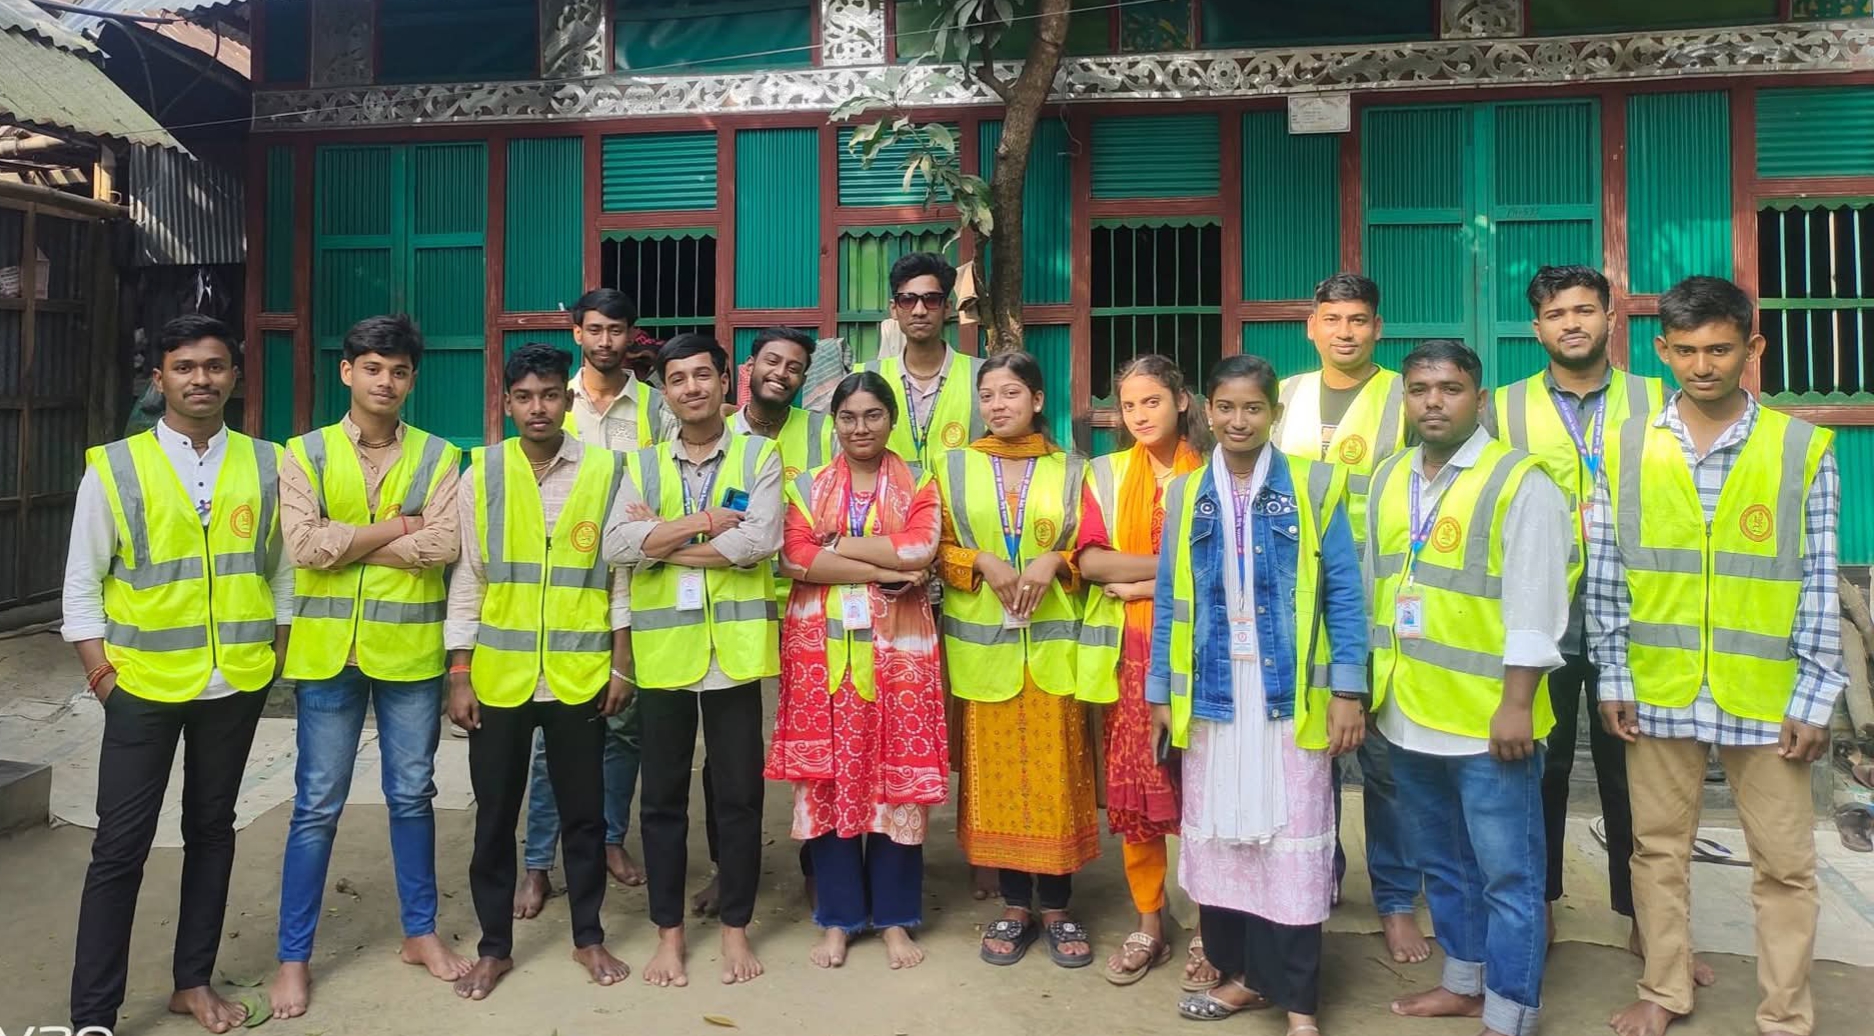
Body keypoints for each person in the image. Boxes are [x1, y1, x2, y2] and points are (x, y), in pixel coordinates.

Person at [1591, 277, 1843, 1036]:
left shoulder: (1801, 448)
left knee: (1785, 865)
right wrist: (1613, 673)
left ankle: (1785, 1013)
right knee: (1657, 851)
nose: (1704, 366)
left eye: (1721, 349)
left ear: (1752, 349)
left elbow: (1819, 578)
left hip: (1766, 693)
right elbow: (1607, 572)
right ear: (1663, 351)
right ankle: (1665, 990)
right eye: (1688, 351)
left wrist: (1816, 694)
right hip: (1659, 683)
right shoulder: (1626, 445)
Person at [62, 314, 293, 1034]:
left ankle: (192, 982)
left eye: (216, 366)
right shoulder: (115, 467)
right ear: (158, 377)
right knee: (119, 847)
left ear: (236, 376)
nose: (202, 379)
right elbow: (81, 586)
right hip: (141, 688)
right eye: (186, 367)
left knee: (212, 831)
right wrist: (103, 677)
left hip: (236, 685)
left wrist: (272, 655)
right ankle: (94, 1013)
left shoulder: (266, 463)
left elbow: (280, 570)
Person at [1145, 354, 1370, 1033]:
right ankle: (1243, 977)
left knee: (1290, 838)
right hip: (1213, 696)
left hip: (1288, 696)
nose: (1238, 420)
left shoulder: (1315, 486)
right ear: (1205, 411)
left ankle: (1299, 1000)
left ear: (1273, 413)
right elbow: (1168, 598)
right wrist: (1160, 688)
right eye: (1226, 407)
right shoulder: (1188, 494)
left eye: (1253, 408)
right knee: (1223, 838)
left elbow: (1345, 596)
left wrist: (1348, 690)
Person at [1368, 339, 1569, 1036]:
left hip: (1491, 722)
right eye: (1420, 388)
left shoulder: (1521, 481)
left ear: (1478, 400)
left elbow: (1536, 604)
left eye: (1450, 389)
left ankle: (1511, 1012)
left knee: (1509, 876)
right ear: (1405, 398)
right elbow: (1378, 590)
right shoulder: (1390, 477)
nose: (1433, 400)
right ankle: (1463, 981)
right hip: (1408, 712)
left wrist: (1517, 704)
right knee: (1444, 864)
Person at [270, 315, 466, 1018]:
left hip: (409, 654)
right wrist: (396, 529)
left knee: (412, 794)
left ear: (413, 379)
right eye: (373, 368)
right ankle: (294, 958)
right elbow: (303, 546)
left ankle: (420, 933)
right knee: (317, 804)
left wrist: (348, 539)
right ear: (347, 371)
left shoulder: (441, 456)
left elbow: (442, 545)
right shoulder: (305, 453)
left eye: (400, 370)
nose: (386, 381)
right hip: (329, 654)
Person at [1485, 266, 1671, 965]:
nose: (1572, 323)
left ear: (1610, 317)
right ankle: (1539, 903)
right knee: (1540, 763)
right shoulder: (1500, 408)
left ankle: (1645, 913)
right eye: (1557, 313)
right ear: (1537, 329)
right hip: (1540, 610)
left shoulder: (1658, 399)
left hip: (1638, 611)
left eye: (1585, 310)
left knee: (1638, 768)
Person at [445, 342, 634, 1000]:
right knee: (494, 815)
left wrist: (623, 663)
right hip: (500, 676)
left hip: (580, 674)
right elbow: (468, 577)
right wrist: (459, 671)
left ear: (568, 398)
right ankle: (494, 946)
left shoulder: (608, 470)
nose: (538, 408)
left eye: (550, 394)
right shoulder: (482, 474)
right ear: (506, 402)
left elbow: (619, 579)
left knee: (585, 815)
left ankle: (588, 935)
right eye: (524, 396)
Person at [604, 333, 784, 988]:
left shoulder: (759, 454)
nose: (691, 389)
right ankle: (669, 937)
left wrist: (663, 540)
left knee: (737, 795)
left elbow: (760, 541)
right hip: (665, 655)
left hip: (733, 656)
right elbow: (618, 546)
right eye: (676, 380)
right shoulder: (640, 464)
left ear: (724, 380)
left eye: (702, 376)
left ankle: (735, 930)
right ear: (666, 391)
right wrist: (705, 522)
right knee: (663, 800)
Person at [1270, 272, 1427, 965]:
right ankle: (1319, 876)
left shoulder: (1404, 396)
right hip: (1299, 605)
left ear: (1378, 328)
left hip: (1380, 600)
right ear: (1311, 326)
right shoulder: (1283, 398)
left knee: (1387, 765)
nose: (1344, 331)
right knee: (1311, 757)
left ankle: (1395, 901)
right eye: (1332, 318)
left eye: (1358, 319)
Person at [765, 371, 946, 969]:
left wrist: (836, 543)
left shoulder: (920, 479)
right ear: (834, 422)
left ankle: (895, 919)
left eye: (872, 415)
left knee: (895, 781)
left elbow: (920, 551)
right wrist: (881, 566)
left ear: (890, 420)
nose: (860, 428)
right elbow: (793, 555)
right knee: (829, 777)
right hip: (820, 655)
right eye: (848, 417)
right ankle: (838, 919)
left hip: (901, 658)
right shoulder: (807, 484)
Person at [937, 351, 1108, 969]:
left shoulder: (1074, 470)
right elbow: (935, 548)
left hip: (1054, 651)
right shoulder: (952, 466)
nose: (998, 405)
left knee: (1060, 776)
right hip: (986, 653)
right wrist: (981, 562)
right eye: (988, 395)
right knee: (995, 779)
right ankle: (1013, 906)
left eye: (1011, 393)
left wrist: (1053, 561)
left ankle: (1058, 907)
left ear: (1037, 400)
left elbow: (1091, 544)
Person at [514, 289, 666, 918]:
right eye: (595, 329)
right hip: (562, 586)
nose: (606, 341)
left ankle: (608, 839)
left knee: (623, 727)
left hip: (633, 577)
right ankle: (537, 862)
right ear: (577, 332)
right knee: (554, 738)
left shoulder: (655, 408)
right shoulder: (549, 397)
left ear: (632, 336)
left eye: (617, 330)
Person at [680, 326, 840, 918]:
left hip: (811, 604)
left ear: (804, 379)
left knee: (817, 743)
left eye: (795, 367)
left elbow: (834, 510)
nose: (782, 373)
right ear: (747, 369)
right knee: (729, 755)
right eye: (771, 361)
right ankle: (730, 870)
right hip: (732, 607)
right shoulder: (714, 431)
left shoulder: (823, 433)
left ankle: (819, 865)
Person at [1074, 355, 1211, 989]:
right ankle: (1149, 921)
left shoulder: (1212, 473)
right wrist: (1166, 570)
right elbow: (1094, 563)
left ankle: (1212, 928)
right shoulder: (1106, 474)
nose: (1139, 416)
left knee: (1206, 791)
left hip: (1201, 652)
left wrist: (1141, 579)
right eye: (1129, 406)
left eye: (1152, 402)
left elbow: (1225, 564)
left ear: (1182, 402)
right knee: (1139, 798)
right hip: (1130, 656)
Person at [857, 252, 985, 469]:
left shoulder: (981, 376)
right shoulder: (865, 378)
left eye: (931, 300)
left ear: (947, 308)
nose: (919, 311)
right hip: (888, 502)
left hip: (958, 503)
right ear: (894, 309)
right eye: (907, 300)